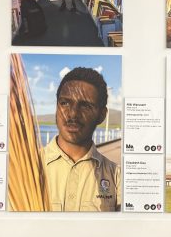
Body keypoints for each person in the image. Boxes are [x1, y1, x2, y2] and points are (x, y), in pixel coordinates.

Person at [44, 67, 121, 211]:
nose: (72, 114)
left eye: (85, 106)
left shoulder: (117, 177)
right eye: (65, 103)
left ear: (102, 115)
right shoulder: (27, 166)